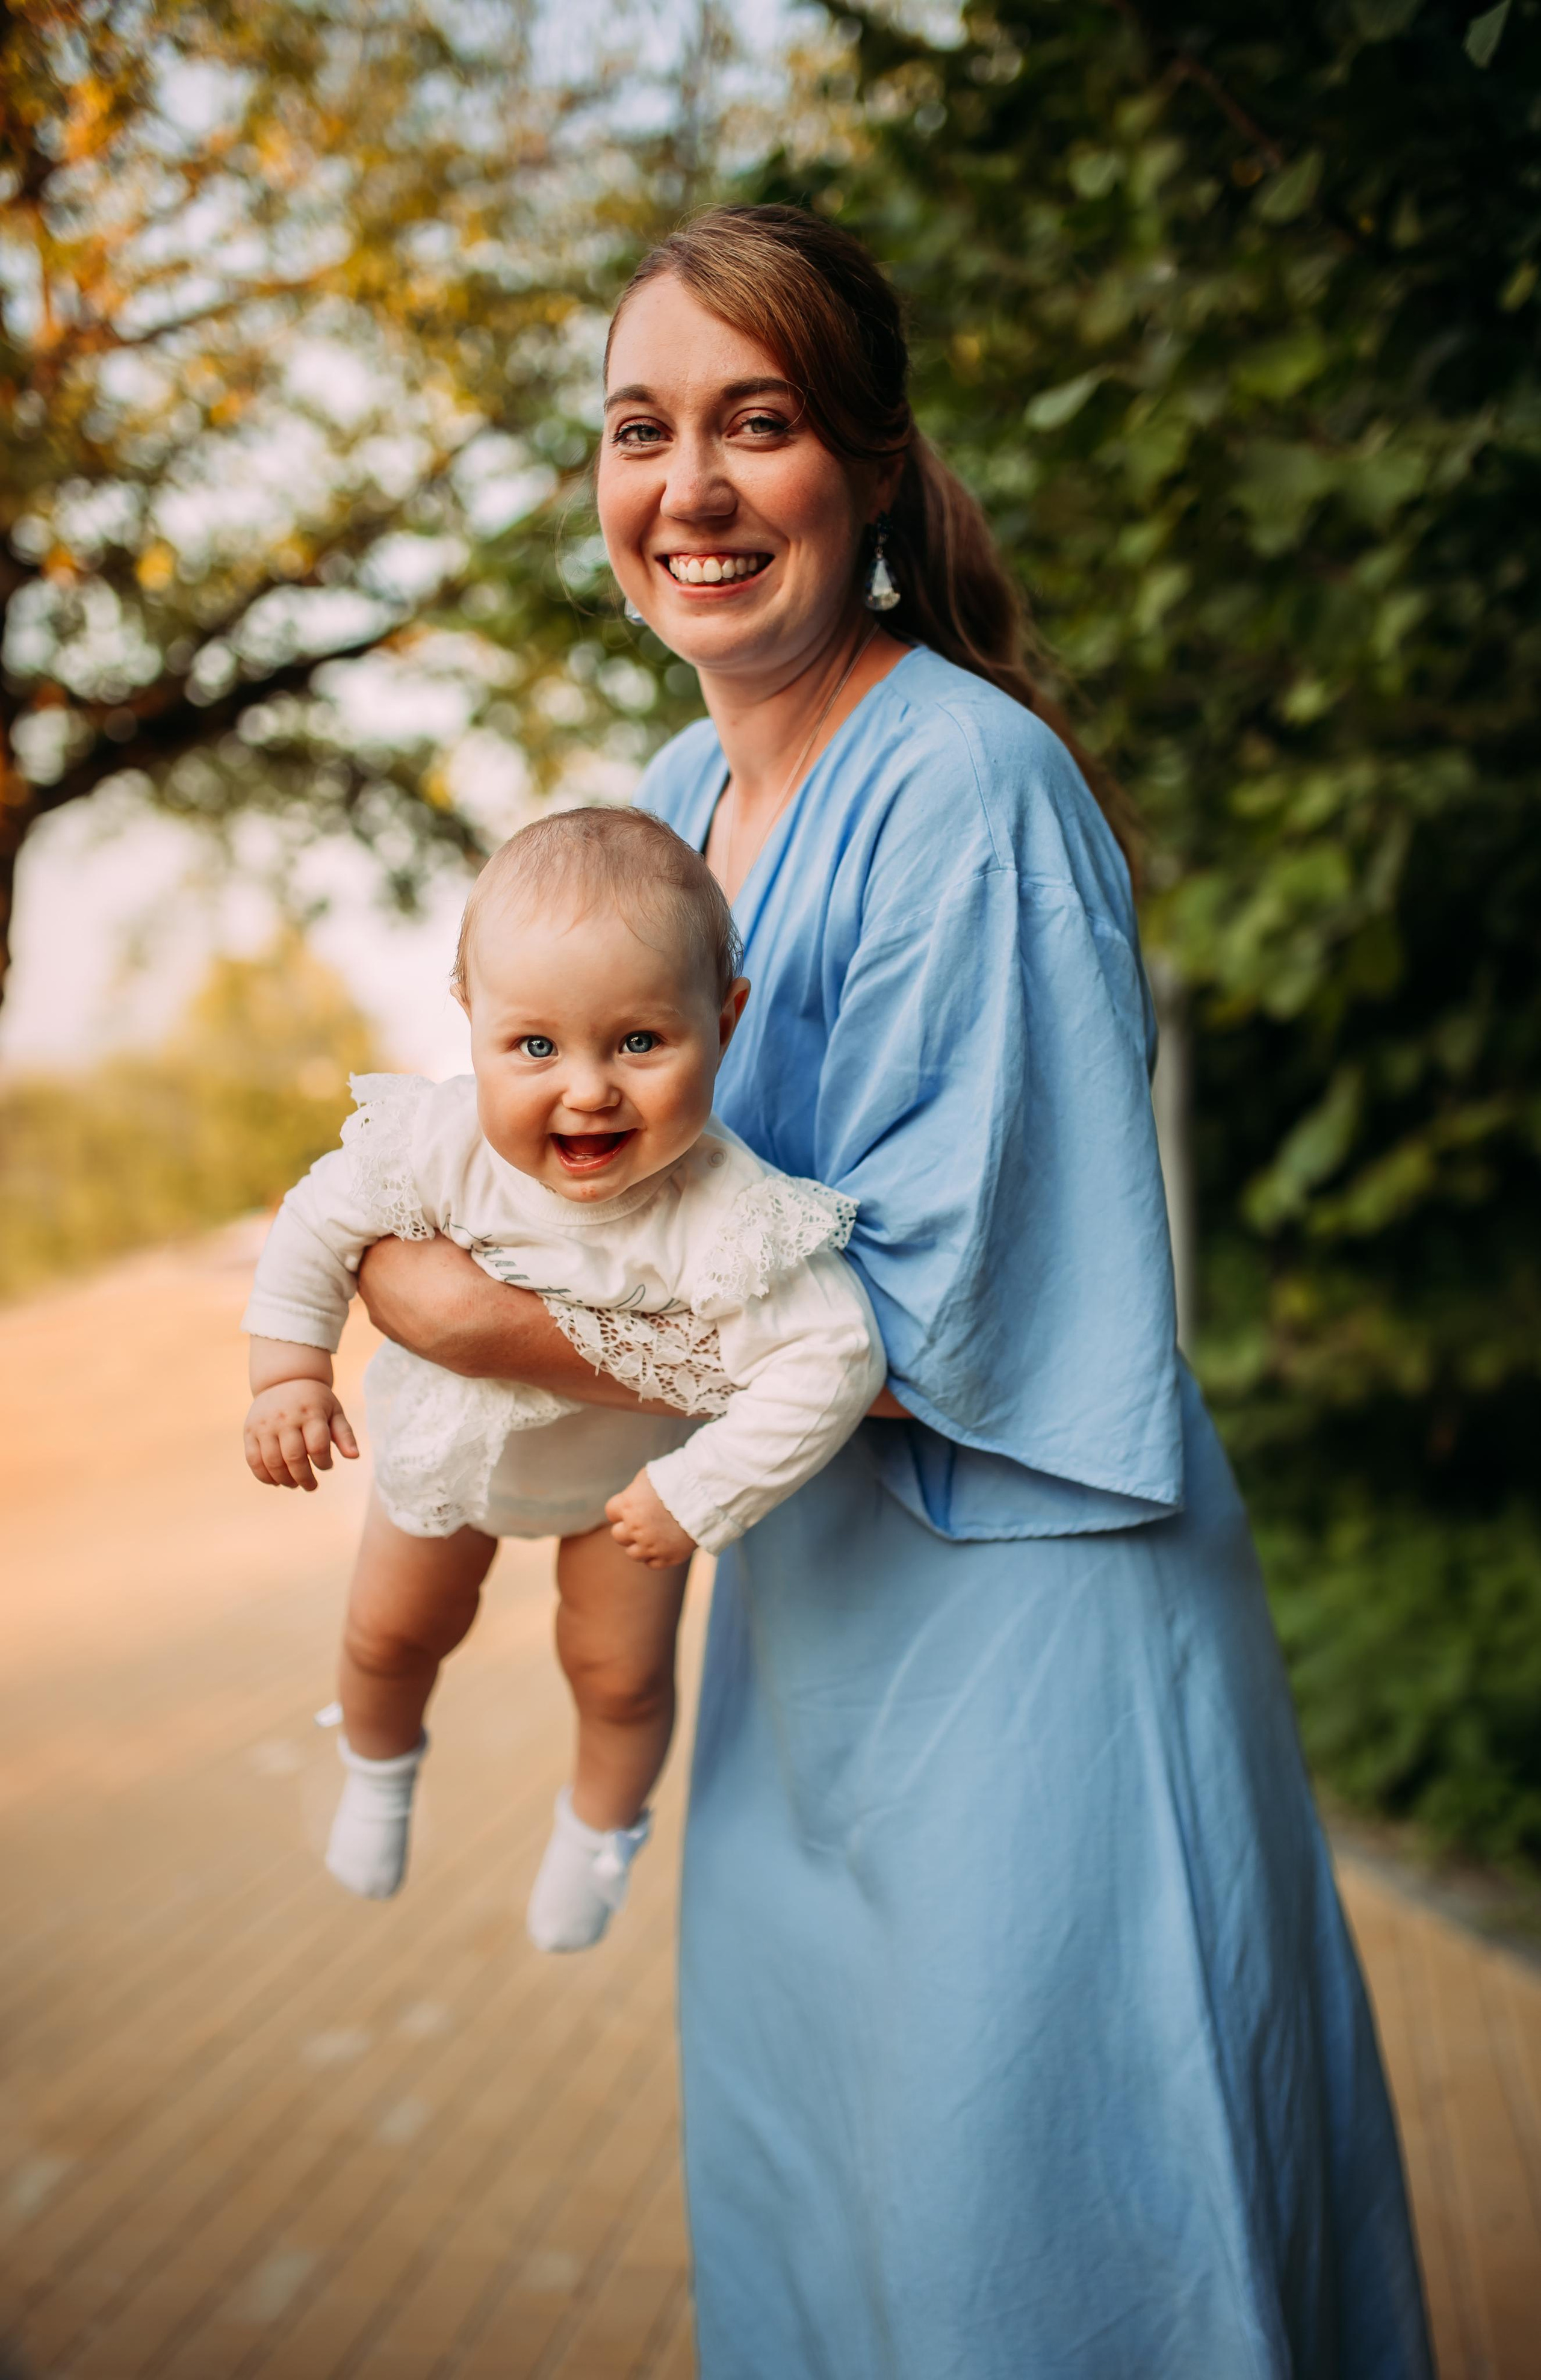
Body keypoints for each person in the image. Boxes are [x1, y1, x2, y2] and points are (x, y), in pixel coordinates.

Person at [354, 206, 1434, 2375]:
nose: (693, 488)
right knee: (831, 2237)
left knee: (1057, 2244)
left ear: (864, 458)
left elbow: (937, 1309)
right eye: (641, 431)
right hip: (795, 1639)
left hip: (1028, 1639)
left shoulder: (971, 784)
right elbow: (589, 1184)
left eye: (756, 423)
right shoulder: (666, 803)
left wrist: (482, 1327)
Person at [240, 806, 881, 1950]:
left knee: (617, 1677)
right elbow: (319, 1224)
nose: (587, 1091)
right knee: (392, 1635)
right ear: (473, 1024)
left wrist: (705, 1491)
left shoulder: (725, 1211)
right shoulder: (439, 1146)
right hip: (453, 1449)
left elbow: (834, 1355)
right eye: (534, 1047)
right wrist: (289, 1372)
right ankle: (377, 1770)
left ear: (722, 1024)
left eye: (639, 1043)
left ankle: (599, 1831)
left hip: (623, 1491)